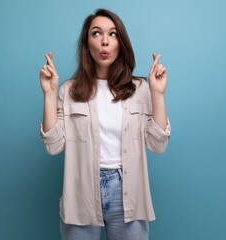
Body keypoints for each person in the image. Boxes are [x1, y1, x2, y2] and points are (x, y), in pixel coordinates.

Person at [39, 8, 171, 240]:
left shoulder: (140, 89)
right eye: (96, 33)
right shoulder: (69, 91)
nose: (104, 42)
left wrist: (157, 94)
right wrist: (49, 94)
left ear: (121, 42)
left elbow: (158, 145)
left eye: (112, 34)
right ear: (87, 44)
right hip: (81, 193)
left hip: (128, 193)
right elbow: (53, 146)